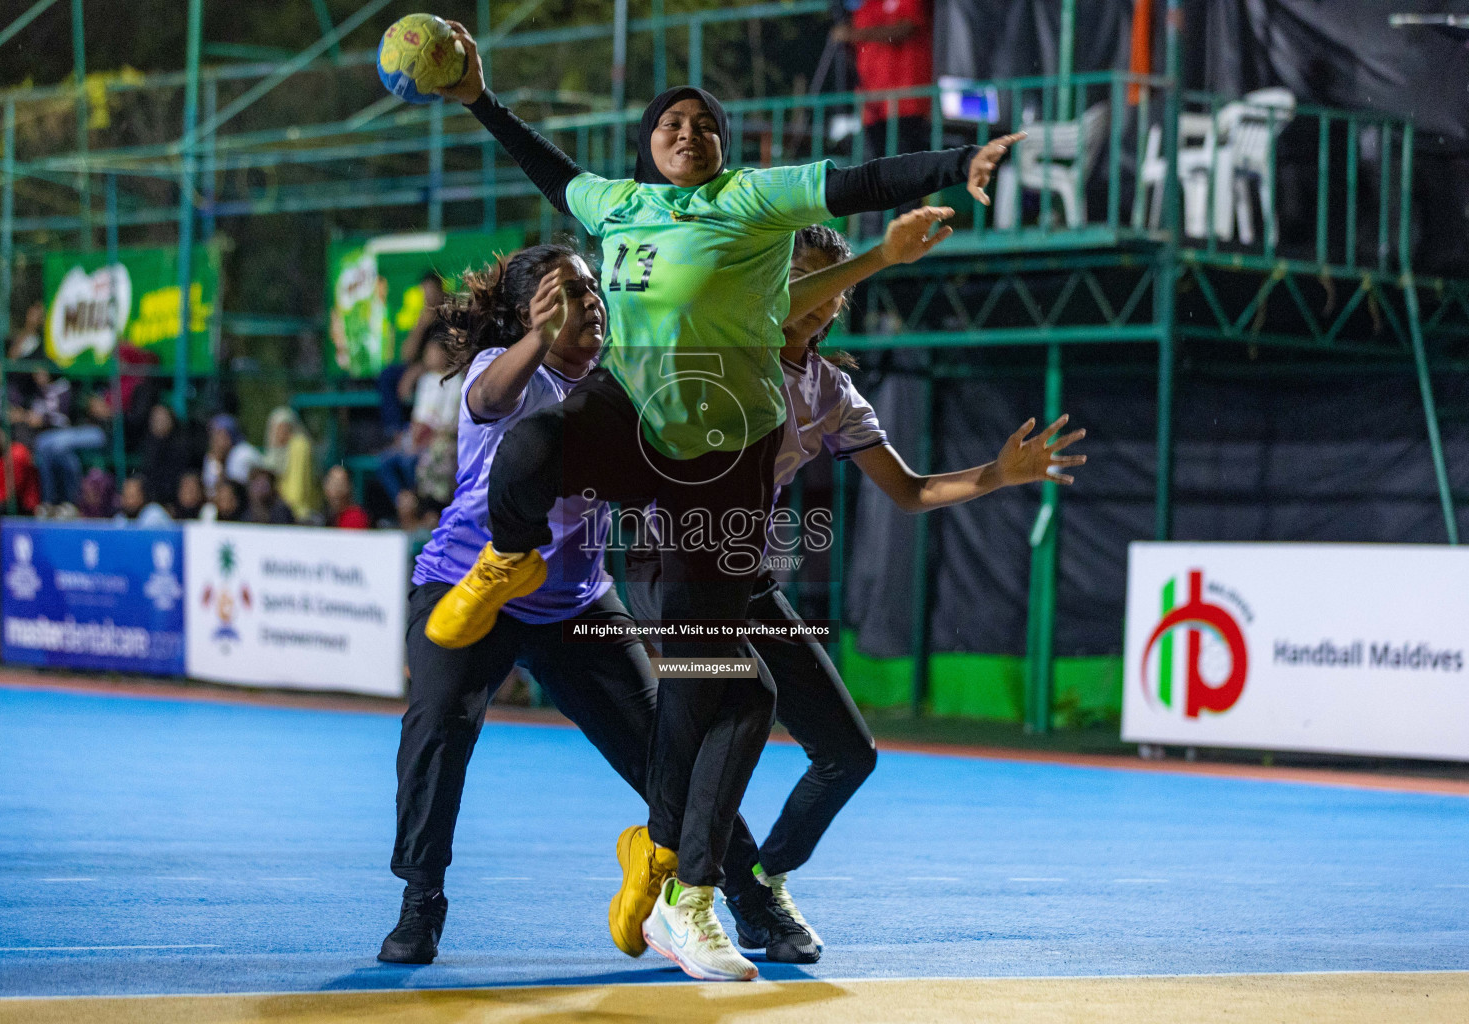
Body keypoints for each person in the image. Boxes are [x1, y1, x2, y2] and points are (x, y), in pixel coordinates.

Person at [424, 22, 1021, 982]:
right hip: (637, 425)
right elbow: (549, 166)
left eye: (705, 123)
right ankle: (507, 560)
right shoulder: (615, 207)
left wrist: (957, 163)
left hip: (724, 462)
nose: (688, 130)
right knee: (534, 441)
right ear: (647, 144)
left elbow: (859, 180)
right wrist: (478, 99)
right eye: (672, 121)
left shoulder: (752, 203)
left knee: (722, 689)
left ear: (723, 145)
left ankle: (674, 875)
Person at [624, 214, 1087, 957]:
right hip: (669, 565)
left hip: (744, 578)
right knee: (740, 712)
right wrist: (877, 256)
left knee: (848, 750)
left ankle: (760, 882)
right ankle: (689, 896)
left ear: (841, 306)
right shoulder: (727, 347)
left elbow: (907, 491)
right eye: (796, 279)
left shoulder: (831, 391)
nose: (814, 298)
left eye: (826, 290)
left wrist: (998, 474)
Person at [379, 245, 796, 971]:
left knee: (674, 747)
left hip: (575, 603)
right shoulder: (500, 369)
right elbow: (487, 403)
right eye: (567, 292)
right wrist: (538, 336)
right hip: (468, 587)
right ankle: (421, 901)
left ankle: (748, 899)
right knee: (438, 726)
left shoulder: (625, 385)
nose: (592, 301)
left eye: (593, 288)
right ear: (525, 315)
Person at [831, 0, 934, 161]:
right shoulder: (865, 5)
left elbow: (906, 28)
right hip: (872, 102)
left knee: (907, 162)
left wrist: (854, 34)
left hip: (906, 100)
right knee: (878, 166)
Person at [377, 332, 462, 506]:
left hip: (438, 440)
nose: (428, 356)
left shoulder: (455, 381)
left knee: (411, 463)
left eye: (433, 352)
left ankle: (418, 505)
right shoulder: (425, 380)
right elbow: (418, 415)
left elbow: (448, 420)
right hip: (416, 438)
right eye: (427, 352)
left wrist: (426, 434)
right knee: (385, 462)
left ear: (445, 353)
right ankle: (404, 503)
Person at [378, 271, 447, 441]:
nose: (428, 299)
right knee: (387, 376)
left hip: (439, 371)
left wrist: (416, 371)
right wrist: (421, 325)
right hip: (419, 368)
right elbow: (406, 356)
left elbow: (443, 359)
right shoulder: (423, 319)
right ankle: (396, 434)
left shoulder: (449, 320)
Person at [32, 387, 112, 508]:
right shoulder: (81, 407)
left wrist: (106, 412)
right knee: (60, 454)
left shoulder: (111, 397)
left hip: (100, 433)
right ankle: (60, 504)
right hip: (79, 434)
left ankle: (54, 501)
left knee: (52, 444)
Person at [262, 407, 318, 520]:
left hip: (299, 512)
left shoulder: (300, 445)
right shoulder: (273, 453)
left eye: (285, 428)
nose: (281, 433)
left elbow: (299, 489)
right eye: (277, 428)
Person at [138, 404, 193, 506]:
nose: (160, 422)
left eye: (163, 418)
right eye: (156, 419)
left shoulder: (181, 447)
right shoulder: (148, 447)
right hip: (152, 503)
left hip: (176, 504)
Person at [202, 413, 260, 491]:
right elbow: (210, 489)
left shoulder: (243, 452)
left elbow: (234, 489)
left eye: (219, 434)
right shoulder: (212, 457)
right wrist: (218, 463)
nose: (214, 439)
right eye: (213, 435)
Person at [323, 464, 371, 529]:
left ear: (349, 486)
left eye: (340, 483)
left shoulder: (355, 517)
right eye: (333, 482)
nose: (337, 488)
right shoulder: (325, 516)